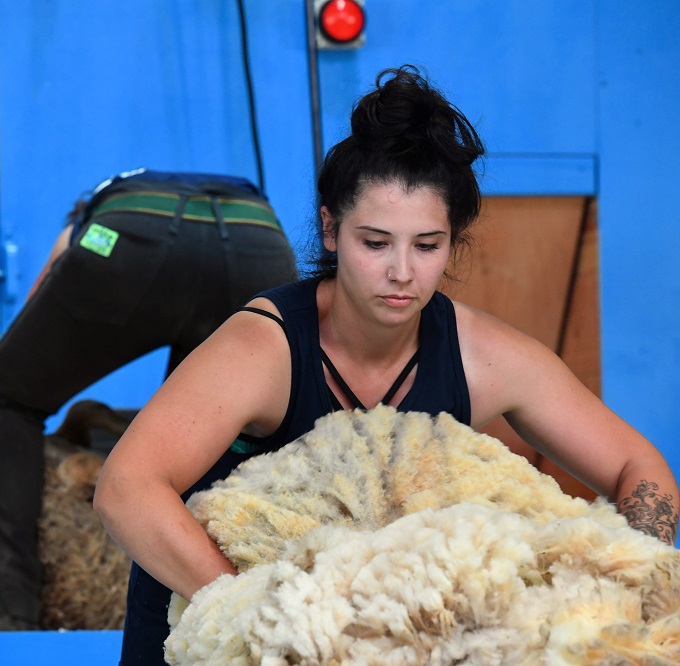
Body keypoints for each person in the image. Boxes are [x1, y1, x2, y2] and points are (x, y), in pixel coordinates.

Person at [93, 66, 680, 665]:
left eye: (427, 246)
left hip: (378, 641)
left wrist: (626, 582)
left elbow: (642, 466)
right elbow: (125, 489)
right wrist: (264, 619)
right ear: (330, 229)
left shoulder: (483, 357)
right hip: (218, 626)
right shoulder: (264, 349)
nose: (402, 272)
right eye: (375, 243)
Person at [0, 168, 300, 632]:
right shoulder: (233, 195)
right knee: (221, 426)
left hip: (126, 241)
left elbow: (32, 326)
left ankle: (7, 609)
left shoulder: (96, 207)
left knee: (5, 396)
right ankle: (266, 593)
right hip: (260, 243)